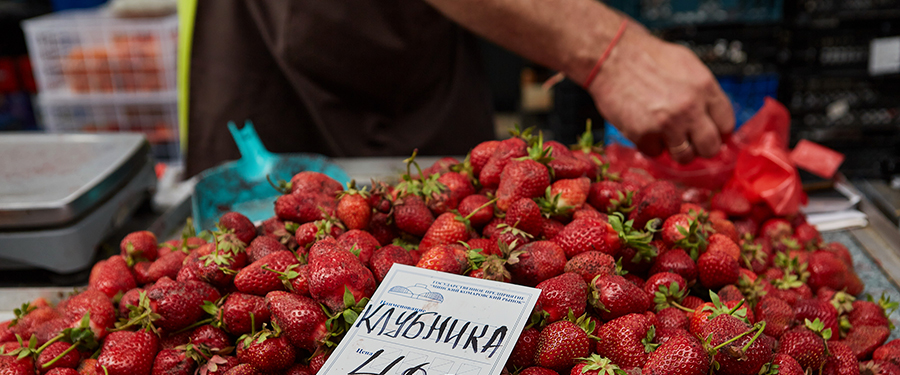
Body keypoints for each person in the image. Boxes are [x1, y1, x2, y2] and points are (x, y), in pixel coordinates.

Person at [182, 0, 735, 177]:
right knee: (281, 262)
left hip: (421, 50)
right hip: (302, 47)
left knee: (459, 264)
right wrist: (614, 53)